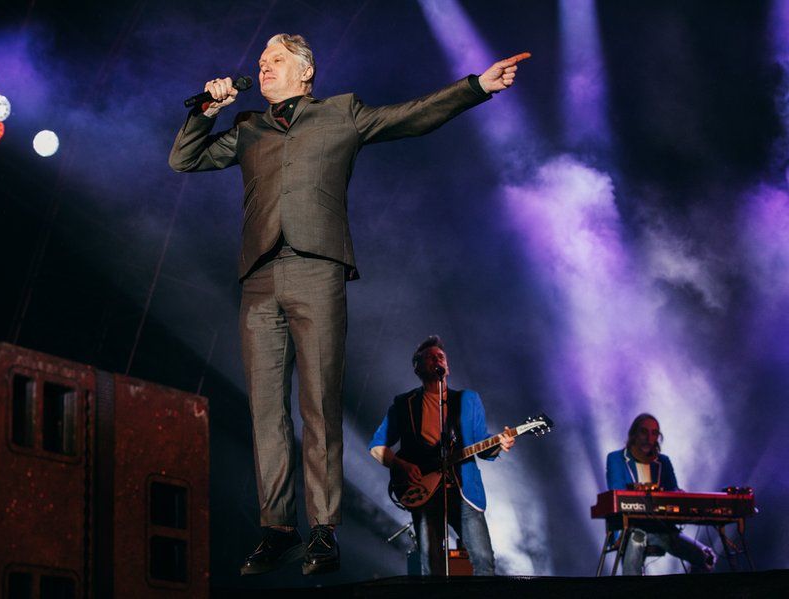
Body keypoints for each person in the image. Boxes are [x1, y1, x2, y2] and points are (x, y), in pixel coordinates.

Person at [169, 33, 530, 576]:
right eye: (260, 61)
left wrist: (477, 86)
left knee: (318, 403)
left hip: (318, 268)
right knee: (266, 409)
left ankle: (322, 530)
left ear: (305, 72)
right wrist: (207, 110)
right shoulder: (247, 127)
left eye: (274, 61)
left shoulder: (341, 114)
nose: (262, 67)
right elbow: (184, 159)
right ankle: (277, 527)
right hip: (260, 277)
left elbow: (412, 116)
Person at [368, 335, 514, 576]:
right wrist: (401, 464)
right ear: (418, 367)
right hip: (424, 492)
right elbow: (376, 446)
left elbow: (481, 443)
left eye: (441, 357)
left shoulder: (468, 399)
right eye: (430, 357)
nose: (438, 360)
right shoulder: (404, 404)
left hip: (464, 490)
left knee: (484, 560)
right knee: (431, 565)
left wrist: (500, 443)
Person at [605, 413, 716, 575]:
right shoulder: (616, 458)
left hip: (662, 528)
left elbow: (672, 493)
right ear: (634, 434)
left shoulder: (663, 462)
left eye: (654, 433)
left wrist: (678, 496)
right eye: (644, 432)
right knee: (636, 540)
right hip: (630, 528)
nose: (649, 438)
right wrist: (643, 492)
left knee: (706, 557)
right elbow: (616, 493)